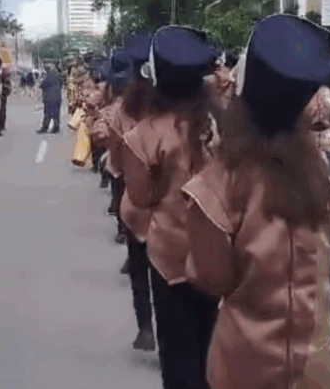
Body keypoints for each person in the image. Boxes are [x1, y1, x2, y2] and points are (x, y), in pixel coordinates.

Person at [183, 14, 330, 388]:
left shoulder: (215, 186)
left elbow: (211, 277)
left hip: (244, 364)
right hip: (316, 364)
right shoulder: (324, 171)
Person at [122, 26, 220, 389]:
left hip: (171, 262)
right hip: (224, 258)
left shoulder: (142, 136)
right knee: (217, 360)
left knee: (180, 362)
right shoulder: (224, 125)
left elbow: (140, 198)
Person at [94, 32, 156, 352]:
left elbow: (113, 158)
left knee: (140, 269)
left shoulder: (120, 109)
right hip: (174, 210)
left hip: (137, 203)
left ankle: (145, 327)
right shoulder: (180, 111)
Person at [38, 63, 62, 134]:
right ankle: (56, 127)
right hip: (57, 96)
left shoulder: (48, 75)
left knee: (47, 113)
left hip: (49, 97)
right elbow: (61, 84)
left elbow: (43, 84)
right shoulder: (58, 75)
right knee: (56, 113)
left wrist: (41, 84)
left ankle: (45, 127)